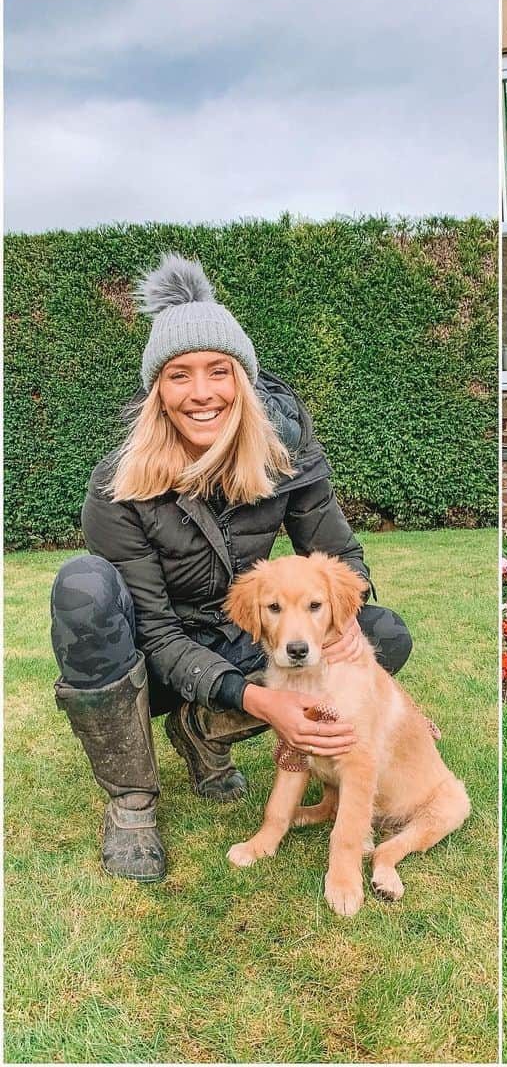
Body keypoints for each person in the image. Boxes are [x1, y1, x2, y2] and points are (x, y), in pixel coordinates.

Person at [50, 254, 412, 883]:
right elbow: (159, 634)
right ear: (156, 392)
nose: (201, 393)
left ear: (241, 380)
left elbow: (341, 558)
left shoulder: (285, 448)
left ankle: (205, 727)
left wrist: (361, 665)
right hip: (154, 656)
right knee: (83, 585)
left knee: (381, 634)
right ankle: (133, 801)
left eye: (219, 372)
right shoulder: (117, 485)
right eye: (178, 375)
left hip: (248, 637)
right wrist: (261, 699)